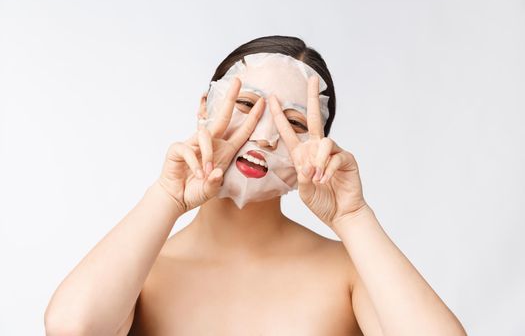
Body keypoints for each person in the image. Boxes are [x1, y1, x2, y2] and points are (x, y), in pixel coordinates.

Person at [44, 35, 467, 336]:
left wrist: (353, 217)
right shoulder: (139, 273)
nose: (264, 136)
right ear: (205, 108)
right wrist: (167, 196)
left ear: (317, 144)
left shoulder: (348, 274)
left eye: (294, 123)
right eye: (246, 105)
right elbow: (72, 328)